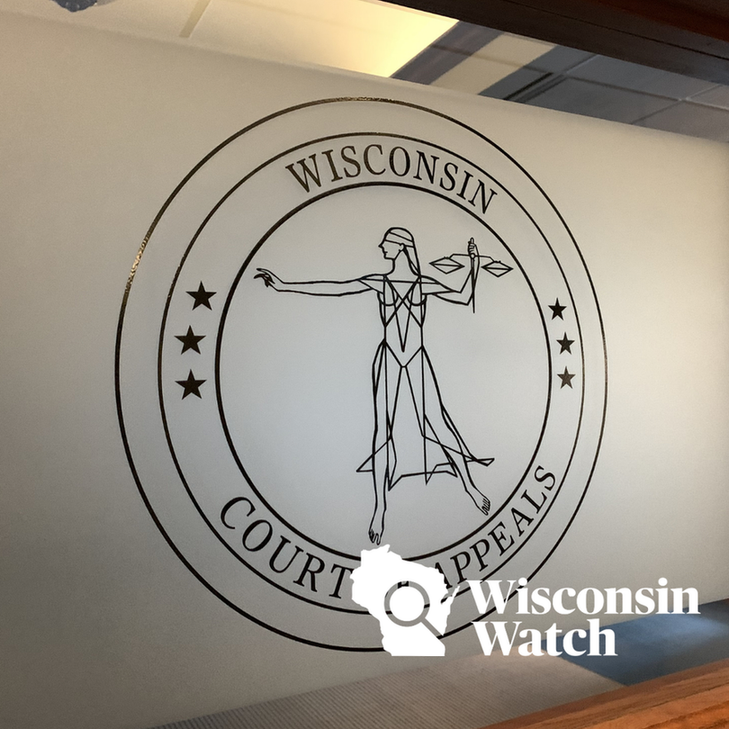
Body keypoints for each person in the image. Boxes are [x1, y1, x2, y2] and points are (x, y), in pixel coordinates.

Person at [256, 227, 492, 544]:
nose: (381, 247)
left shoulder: (423, 285)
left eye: (386, 243)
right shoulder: (379, 282)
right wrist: (284, 286)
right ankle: (380, 507)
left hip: (417, 359)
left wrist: (475, 264)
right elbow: (336, 288)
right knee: (383, 432)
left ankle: (471, 487)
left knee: (438, 423)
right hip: (388, 359)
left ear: (401, 247)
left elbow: (463, 296)